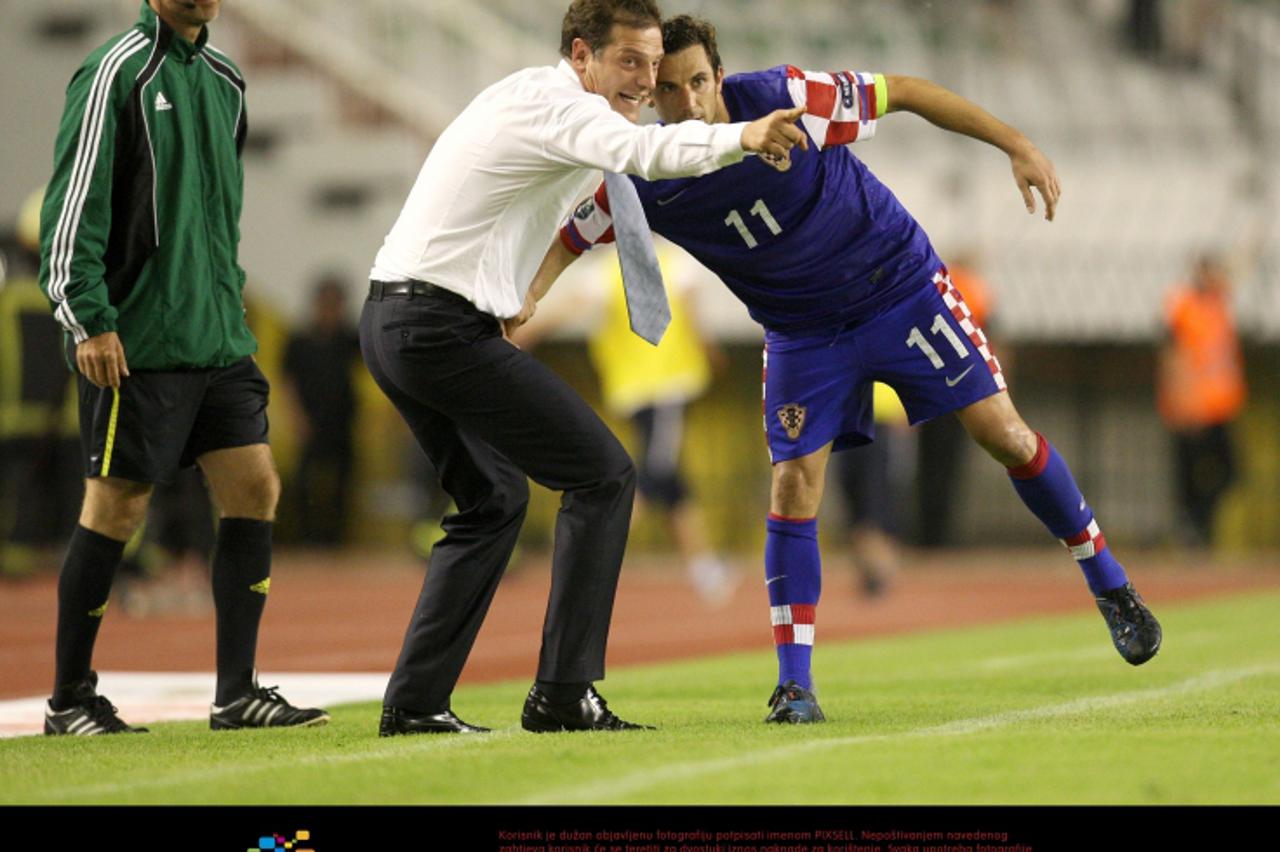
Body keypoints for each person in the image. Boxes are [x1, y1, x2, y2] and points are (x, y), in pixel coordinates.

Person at [539, 14, 1162, 724]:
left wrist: (1015, 144)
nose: (689, 102)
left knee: (1005, 435)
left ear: (721, 76)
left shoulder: (786, 96)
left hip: (897, 286)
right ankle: (794, 686)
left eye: (699, 82)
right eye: (671, 90)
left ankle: (1109, 581)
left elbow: (908, 92)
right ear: (651, 96)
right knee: (793, 485)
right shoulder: (647, 171)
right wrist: (523, 301)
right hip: (804, 333)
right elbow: (574, 232)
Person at [363, 0, 806, 736]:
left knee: (494, 500)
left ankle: (414, 704)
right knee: (603, 475)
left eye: (653, 63)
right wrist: (742, 135)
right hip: (437, 325)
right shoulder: (565, 107)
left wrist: (524, 287)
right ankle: (563, 694)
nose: (646, 79)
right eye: (629, 60)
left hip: (400, 318)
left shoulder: (539, 99)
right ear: (581, 54)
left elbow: (559, 205)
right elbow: (643, 155)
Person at [38, 0, 327, 734]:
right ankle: (70, 699)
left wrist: (228, 305)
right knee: (117, 506)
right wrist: (89, 318)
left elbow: (218, 216)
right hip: (137, 342)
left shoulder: (226, 80)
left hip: (218, 337)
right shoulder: (114, 73)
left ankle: (237, 693)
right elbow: (72, 206)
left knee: (254, 486)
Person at [512, 241, 740, 605]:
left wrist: (523, 335)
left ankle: (704, 569)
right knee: (652, 476)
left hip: (631, 388)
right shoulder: (675, 262)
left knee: (670, 480)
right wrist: (712, 354)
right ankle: (591, 555)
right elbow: (694, 315)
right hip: (668, 384)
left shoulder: (607, 269)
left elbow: (569, 307)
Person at [1157, 254, 1246, 547]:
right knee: (1189, 476)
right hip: (1192, 405)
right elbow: (1173, 354)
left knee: (1229, 472)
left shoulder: (1218, 303)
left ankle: (1198, 525)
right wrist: (1181, 399)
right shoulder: (1183, 305)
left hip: (1219, 406)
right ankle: (1192, 531)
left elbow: (1239, 269)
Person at [282, 276, 362, 546]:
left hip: (342, 419)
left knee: (343, 480)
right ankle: (307, 536)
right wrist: (297, 418)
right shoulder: (299, 340)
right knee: (305, 481)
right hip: (310, 419)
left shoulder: (350, 338)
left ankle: (335, 538)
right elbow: (289, 381)